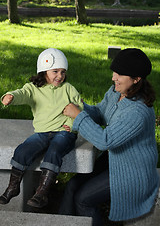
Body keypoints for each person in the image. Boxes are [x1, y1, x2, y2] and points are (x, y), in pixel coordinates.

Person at [60, 48, 160, 225]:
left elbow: (105, 140)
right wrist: (82, 107)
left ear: (136, 79)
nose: (114, 77)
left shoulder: (139, 112)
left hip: (131, 171)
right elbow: (100, 112)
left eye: (120, 74)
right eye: (114, 72)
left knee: (83, 199)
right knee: (71, 186)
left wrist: (79, 116)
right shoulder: (116, 92)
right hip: (113, 161)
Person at [0, 48, 83, 208]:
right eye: (55, 71)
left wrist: (72, 125)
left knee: (54, 151)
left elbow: (79, 107)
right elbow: (22, 93)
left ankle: (41, 192)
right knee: (23, 150)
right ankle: (12, 187)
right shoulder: (33, 88)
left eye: (63, 72)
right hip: (42, 133)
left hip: (63, 131)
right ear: (43, 71)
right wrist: (10, 96)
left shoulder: (68, 89)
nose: (60, 76)